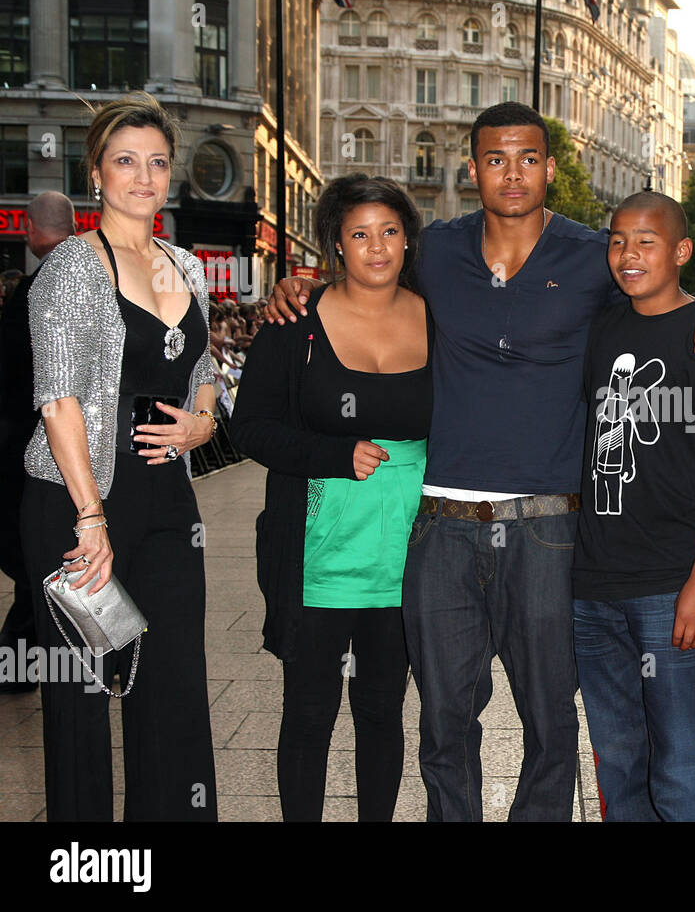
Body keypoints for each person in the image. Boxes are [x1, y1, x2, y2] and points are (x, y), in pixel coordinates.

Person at [263, 102, 695, 821]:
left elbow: (661, 286)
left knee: (552, 724)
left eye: (527, 159)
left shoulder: (594, 254)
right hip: (441, 526)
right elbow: (367, 276)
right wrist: (300, 284)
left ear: (549, 168)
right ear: (473, 169)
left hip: (549, 527)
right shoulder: (436, 253)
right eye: (496, 159)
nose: (512, 174)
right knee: (443, 724)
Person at [22, 92, 219, 821]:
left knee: (172, 684)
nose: (144, 176)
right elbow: (59, 399)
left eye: (158, 162)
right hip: (78, 504)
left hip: (170, 505)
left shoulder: (186, 267)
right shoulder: (74, 267)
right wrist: (91, 518)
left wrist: (202, 421)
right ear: (97, 173)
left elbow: (204, 369)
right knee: (79, 698)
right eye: (126, 161)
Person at [231, 175, 431, 822]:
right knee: (309, 711)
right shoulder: (297, 323)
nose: (377, 247)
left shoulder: (441, 315)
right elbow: (249, 426)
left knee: (382, 709)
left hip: (408, 555)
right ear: (337, 245)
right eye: (360, 233)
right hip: (317, 554)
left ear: (409, 239)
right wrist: (333, 455)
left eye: (391, 231)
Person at [573, 193, 695, 820]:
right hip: (593, 584)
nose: (628, 254)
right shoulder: (600, 325)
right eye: (618, 240)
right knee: (617, 760)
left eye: (646, 241)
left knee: (680, 765)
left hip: (672, 585)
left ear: (682, 252)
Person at [0, 192, 75, 695]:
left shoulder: (36, 289)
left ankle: (20, 661)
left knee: (31, 560)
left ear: (30, 229)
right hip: (78, 446)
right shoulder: (96, 280)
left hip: (29, 448)